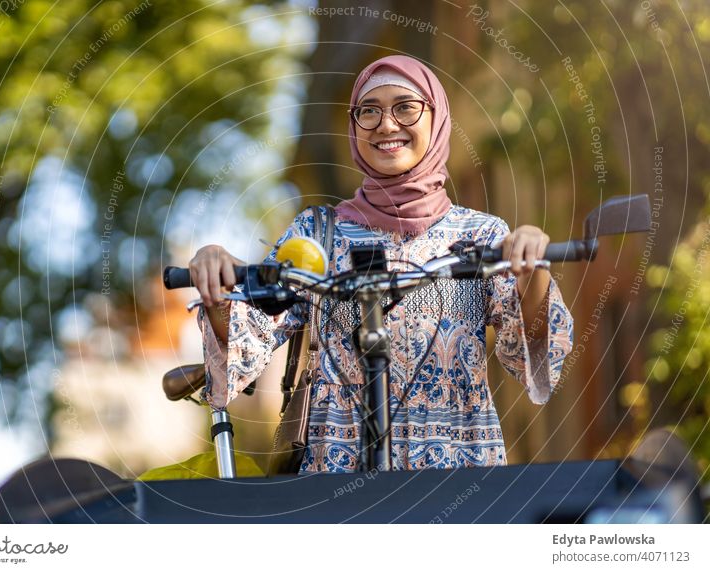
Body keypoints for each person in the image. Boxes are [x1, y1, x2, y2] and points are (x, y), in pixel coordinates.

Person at [189, 55, 573, 473]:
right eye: (369, 111)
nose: (387, 125)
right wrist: (217, 283)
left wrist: (533, 269)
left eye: (406, 106)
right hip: (339, 476)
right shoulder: (316, 235)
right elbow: (249, 338)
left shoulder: (479, 235)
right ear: (354, 127)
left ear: (437, 118)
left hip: (457, 474)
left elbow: (533, 352)